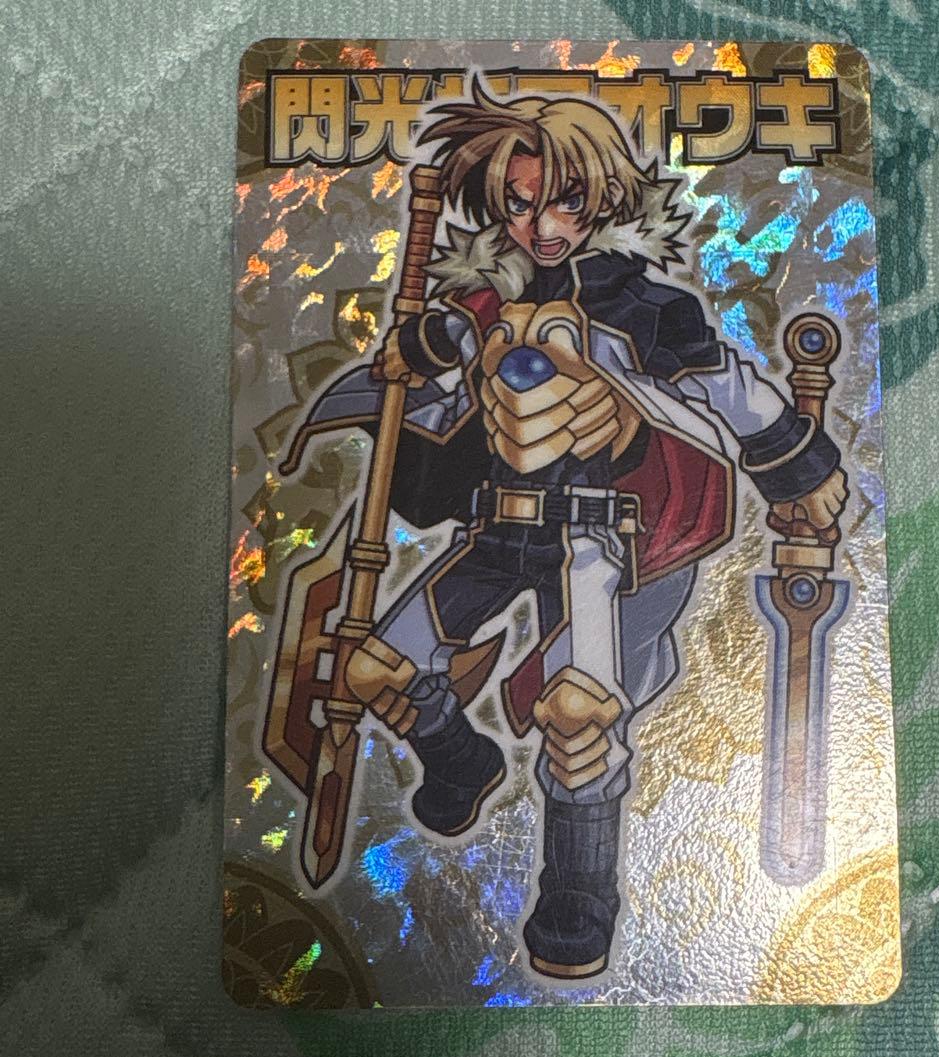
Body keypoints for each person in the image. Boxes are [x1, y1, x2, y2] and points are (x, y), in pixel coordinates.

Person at [291, 78, 848, 978]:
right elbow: (443, 355)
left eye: (563, 201)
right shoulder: (487, 295)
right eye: (518, 205)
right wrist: (413, 350)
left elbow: (727, 390)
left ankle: (579, 893)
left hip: (593, 540)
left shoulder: (641, 303)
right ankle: (462, 762)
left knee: (579, 717)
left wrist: (801, 468)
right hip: (495, 534)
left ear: (604, 197)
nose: (539, 225)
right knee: (377, 668)